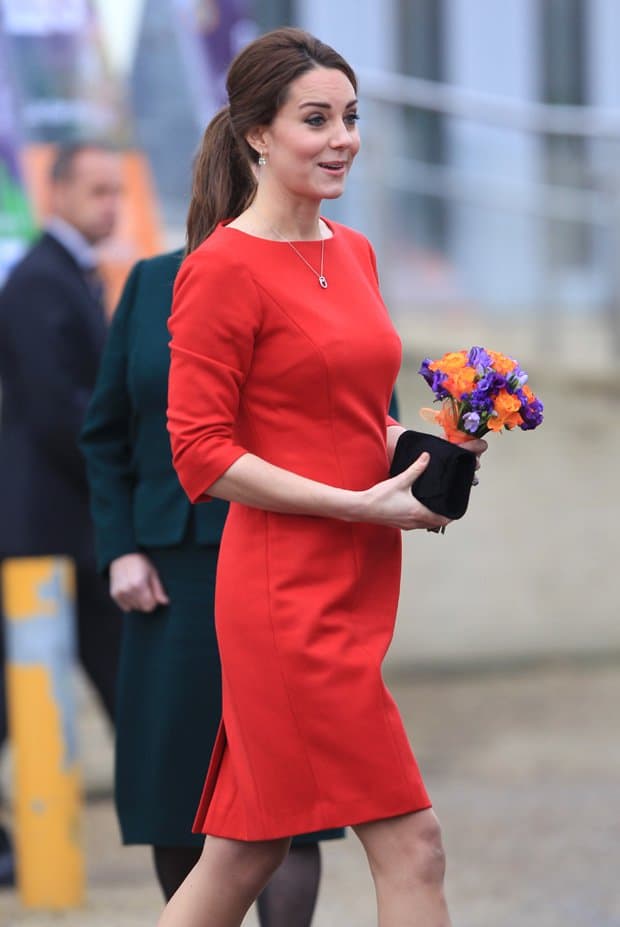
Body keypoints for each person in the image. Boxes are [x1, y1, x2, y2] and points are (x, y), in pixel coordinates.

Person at [161, 27, 487, 927]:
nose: (342, 136)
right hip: (284, 593)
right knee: (415, 844)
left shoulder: (356, 251)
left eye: (351, 116)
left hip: (356, 569)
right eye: (316, 118)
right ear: (256, 133)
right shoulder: (220, 269)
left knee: (245, 853)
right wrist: (352, 502)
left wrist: (428, 450)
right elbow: (200, 452)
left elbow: (350, 412)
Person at [79, 248, 347, 923]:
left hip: (284, 562)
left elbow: (364, 415)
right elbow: (105, 432)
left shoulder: (324, 270)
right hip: (169, 575)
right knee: (173, 789)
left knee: (287, 791)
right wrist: (119, 550)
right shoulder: (150, 280)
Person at [0, 142, 124, 883]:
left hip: (68, 528)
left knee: (103, 680)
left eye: (117, 191)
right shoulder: (40, 280)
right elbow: (58, 412)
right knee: (26, 695)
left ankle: (183, 822)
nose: (110, 203)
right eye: (97, 190)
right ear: (58, 192)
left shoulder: (71, 275)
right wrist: (125, 470)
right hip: (45, 532)